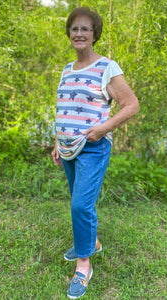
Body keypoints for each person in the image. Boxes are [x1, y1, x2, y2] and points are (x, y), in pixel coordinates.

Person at [51, 7, 140, 299]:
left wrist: (103, 128)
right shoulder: (66, 69)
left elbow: (131, 105)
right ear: (69, 33)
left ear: (94, 34)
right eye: (74, 28)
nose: (79, 33)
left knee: (80, 205)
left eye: (85, 29)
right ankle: (93, 242)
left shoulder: (107, 67)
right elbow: (62, 109)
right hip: (67, 148)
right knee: (80, 202)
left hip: (93, 147)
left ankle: (84, 264)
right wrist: (56, 141)